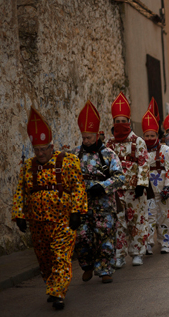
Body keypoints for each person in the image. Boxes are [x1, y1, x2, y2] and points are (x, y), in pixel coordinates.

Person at [12, 107, 87, 309]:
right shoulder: (28, 166)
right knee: (45, 259)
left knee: (61, 256)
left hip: (62, 221)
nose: (41, 153)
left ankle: (58, 293)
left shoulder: (68, 161)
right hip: (38, 224)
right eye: (37, 150)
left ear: (51, 146)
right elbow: (21, 191)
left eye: (44, 149)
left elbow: (78, 187)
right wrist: (19, 214)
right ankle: (52, 284)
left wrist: (76, 212)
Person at [73, 101, 125, 284]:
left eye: (89, 138)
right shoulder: (75, 155)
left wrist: (102, 186)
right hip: (82, 205)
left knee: (105, 237)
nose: (85, 141)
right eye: (83, 137)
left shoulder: (109, 154)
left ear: (96, 135)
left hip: (104, 205)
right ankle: (87, 265)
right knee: (81, 236)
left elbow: (120, 177)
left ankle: (105, 270)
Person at [105, 92, 150, 267]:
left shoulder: (138, 142)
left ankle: (137, 252)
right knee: (118, 223)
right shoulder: (109, 144)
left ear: (129, 122)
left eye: (124, 121)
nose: (121, 124)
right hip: (116, 191)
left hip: (134, 191)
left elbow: (144, 163)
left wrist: (142, 183)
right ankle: (119, 255)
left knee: (137, 221)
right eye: (118, 121)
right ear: (113, 122)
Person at [141, 109, 169, 254]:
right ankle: (148, 243)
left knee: (165, 217)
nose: (149, 138)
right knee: (148, 218)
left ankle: (166, 243)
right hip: (147, 191)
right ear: (143, 136)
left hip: (163, 190)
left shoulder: (166, 150)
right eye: (147, 136)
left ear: (157, 135)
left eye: (152, 135)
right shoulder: (140, 151)